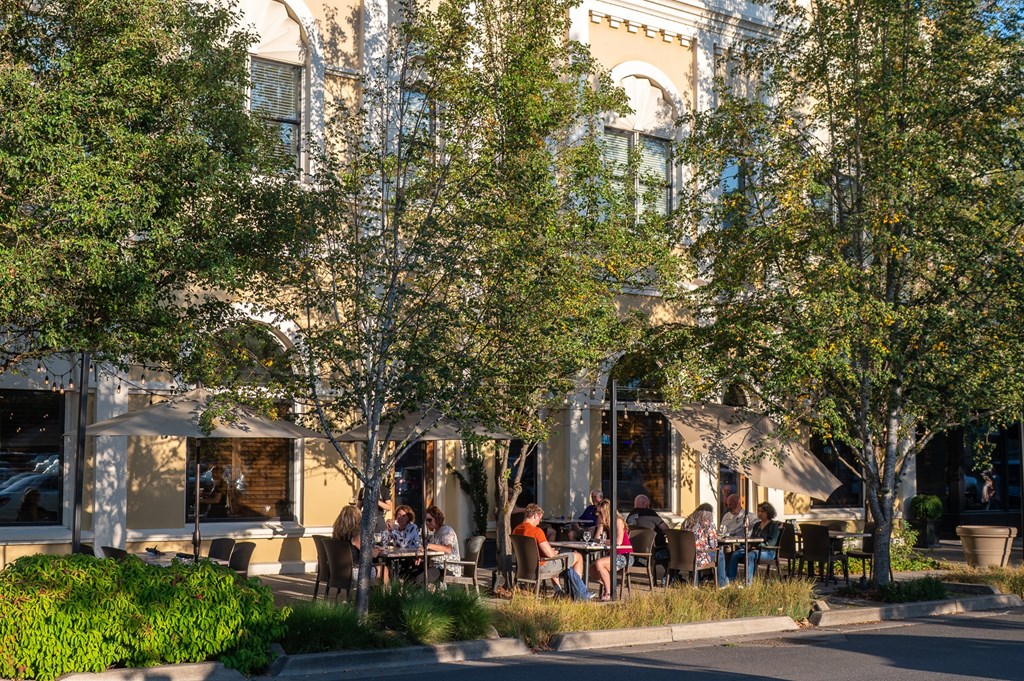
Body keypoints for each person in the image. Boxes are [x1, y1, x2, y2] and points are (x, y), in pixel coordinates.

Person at [513, 503, 593, 600]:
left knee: (564, 565)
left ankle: (559, 591)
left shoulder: (516, 530)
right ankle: (578, 593)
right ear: (535, 515)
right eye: (539, 518)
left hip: (524, 567)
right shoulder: (536, 531)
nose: (539, 522)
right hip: (541, 566)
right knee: (577, 557)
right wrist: (554, 552)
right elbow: (550, 555)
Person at [717, 501, 781, 586]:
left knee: (750, 555)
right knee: (735, 554)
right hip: (754, 549)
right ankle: (730, 580)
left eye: (762, 511)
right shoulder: (757, 524)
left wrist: (758, 546)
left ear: (768, 512)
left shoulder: (773, 526)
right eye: (759, 511)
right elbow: (753, 538)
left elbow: (772, 543)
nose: (759, 513)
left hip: (768, 552)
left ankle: (747, 583)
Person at [590, 500, 632, 601]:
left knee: (599, 563)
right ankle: (609, 584)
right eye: (597, 513)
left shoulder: (618, 521)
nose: (598, 515)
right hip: (613, 555)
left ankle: (609, 593)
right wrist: (600, 525)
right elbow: (596, 539)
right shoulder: (606, 523)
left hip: (624, 556)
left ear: (607, 512)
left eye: (600, 513)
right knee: (591, 569)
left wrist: (603, 540)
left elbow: (618, 541)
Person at [332, 504, 384, 582]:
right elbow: (368, 553)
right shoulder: (355, 535)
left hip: (338, 570)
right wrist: (376, 551)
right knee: (384, 569)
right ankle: (387, 593)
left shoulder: (337, 534)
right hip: (354, 571)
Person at [422, 505, 461, 583]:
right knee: (413, 573)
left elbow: (448, 549)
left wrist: (427, 545)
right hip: (436, 566)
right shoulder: (435, 532)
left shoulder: (446, 531)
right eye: (425, 520)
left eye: (429, 520)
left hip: (447, 568)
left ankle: (425, 594)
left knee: (420, 579)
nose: (427, 523)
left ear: (437, 519)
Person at [626, 494, 670, 563]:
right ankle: (671, 573)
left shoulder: (629, 516)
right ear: (644, 503)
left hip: (634, 550)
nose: (649, 507)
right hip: (652, 550)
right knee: (673, 550)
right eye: (648, 505)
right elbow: (666, 529)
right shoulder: (649, 513)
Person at [680, 502, 719, 571]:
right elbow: (713, 545)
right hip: (698, 557)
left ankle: (698, 579)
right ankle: (722, 580)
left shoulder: (686, 522)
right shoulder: (708, 524)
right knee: (720, 554)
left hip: (682, 555)